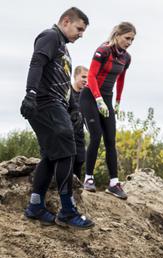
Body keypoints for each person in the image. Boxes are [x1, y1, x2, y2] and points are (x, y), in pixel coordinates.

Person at [20, 7, 94, 230]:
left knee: (51, 156)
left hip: (56, 103)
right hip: (45, 103)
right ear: (65, 21)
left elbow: (63, 82)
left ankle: (35, 206)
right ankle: (67, 211)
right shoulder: (50, 36)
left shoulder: (63, 48)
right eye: (79, 29)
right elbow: (36, 64)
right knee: (68, 150)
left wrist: (73, 107)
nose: (81, 34)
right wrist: (30, 93)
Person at [80, 21, 135, 199]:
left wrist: (117, 100)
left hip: (107, 99)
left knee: (110, 139)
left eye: (132, 40)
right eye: (127, 38)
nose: (129, 42)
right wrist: (97, 99)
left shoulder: (126, 57)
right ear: (117, 35)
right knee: (96, 136)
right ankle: (88, 178)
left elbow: (121, 79)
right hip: (90, 97)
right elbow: (91, 76)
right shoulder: (103, 50)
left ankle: (113, 183)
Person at [69, 65, 88, 181]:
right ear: (75, 76)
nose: (86, 80)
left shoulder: (85, 96)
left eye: (88, 77)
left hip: (80, 136)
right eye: (83, 77)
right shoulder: (66, 92)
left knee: (80, 162)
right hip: (66, 135)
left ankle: (77, 195)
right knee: (67, 165)